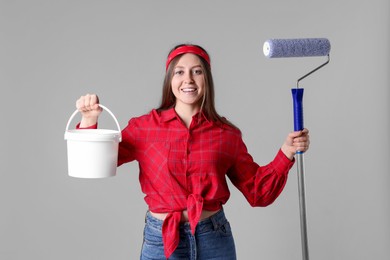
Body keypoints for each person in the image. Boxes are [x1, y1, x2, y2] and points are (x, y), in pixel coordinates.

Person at [75, 44, 310, 260]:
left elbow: (258, 192)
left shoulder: (225, 134)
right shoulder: (144, 127)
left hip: (214, 238)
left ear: (206, 78)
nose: (188, 79)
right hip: (161, 240)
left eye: (197, 71)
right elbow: (95, 162)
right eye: (179, 72)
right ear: (169, 79)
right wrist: (89, 121)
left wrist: (286, 152)